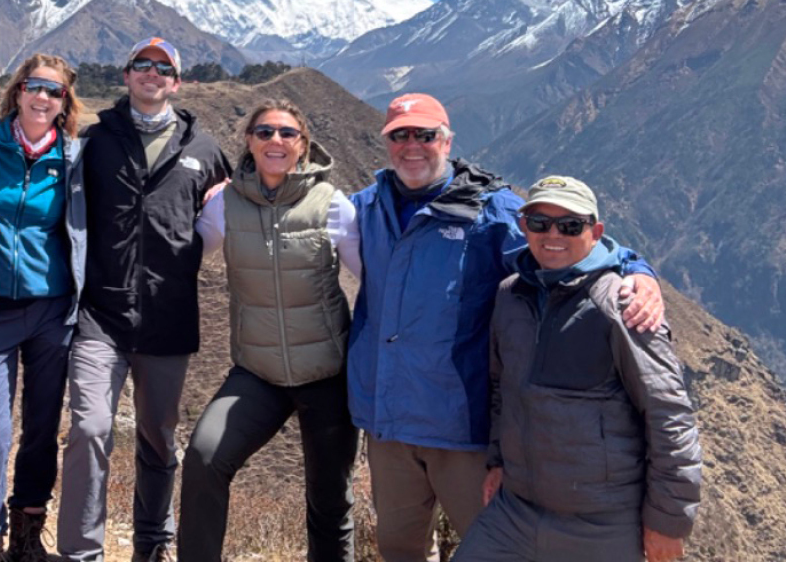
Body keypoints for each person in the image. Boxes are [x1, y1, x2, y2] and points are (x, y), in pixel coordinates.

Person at [347, 93, 666, 562]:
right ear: (387, 142)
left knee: (488, 546)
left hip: (461, 426)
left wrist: (636, 268)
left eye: (425, 134)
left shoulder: (490, 211)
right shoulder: (366, 207)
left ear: (447, 140)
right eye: (400, 135)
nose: (412, 145)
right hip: (387, 421)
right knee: (399, 548)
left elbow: (560, 241)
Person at [454, 175, 700, 562]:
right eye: (539, 223)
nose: (553, 234)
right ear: (523, 227)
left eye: (569, 225)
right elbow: (504, 390)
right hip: (515, 513)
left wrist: (668, 522)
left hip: (602, 524)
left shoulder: (623, 307)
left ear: (595, 231)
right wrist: (499, 461)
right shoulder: (510, 296)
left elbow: (670, 417)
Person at [57, 37, 230, 562]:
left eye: (163, 68)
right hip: (100, 313)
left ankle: (153, 544)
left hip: (168, 317)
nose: (152, 73)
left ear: (177, 82)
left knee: (158, 436)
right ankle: (81, 551)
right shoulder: (94, 139)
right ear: (127, 75)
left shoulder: (205, 150)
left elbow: (237, 212)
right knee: (89, 428)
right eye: (142, 65)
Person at [181, 100, 362, 562]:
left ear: (303, 144)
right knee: (204, 458)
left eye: (286, 134)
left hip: (327, 374)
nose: (275, 142)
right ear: (248, 141)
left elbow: (374, 285)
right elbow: (183, 258)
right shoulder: (225, 204)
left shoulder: (333, 204)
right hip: (257, 374)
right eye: (264, 132)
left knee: (329, 501)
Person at [0, 54, 86, 562]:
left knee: (41, 426)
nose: (43, 98)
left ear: (65, 103)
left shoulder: (74, 158)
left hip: (51, 312)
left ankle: (30, 523)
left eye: (55, 92)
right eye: (36, 87)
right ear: (18, 91)